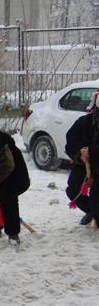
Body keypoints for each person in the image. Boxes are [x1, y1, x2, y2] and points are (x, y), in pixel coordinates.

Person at [65, 93, 99, 226]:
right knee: (73, 190)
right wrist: (79, 153)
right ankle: (91, 211)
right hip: (84, 165)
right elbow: (71, 142)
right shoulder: (84, 122)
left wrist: (91, 152)